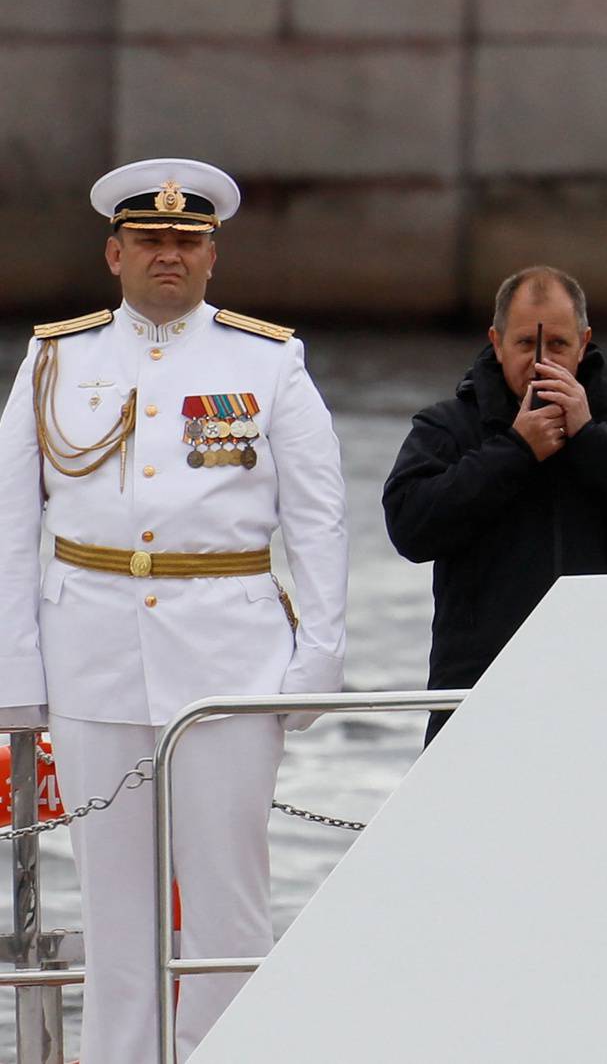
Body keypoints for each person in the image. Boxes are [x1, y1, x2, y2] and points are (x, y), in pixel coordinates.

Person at [0, 159, 347, 1063]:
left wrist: (319, 658)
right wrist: (16, 668)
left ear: (211, 258)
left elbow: (319, 517)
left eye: (187, 242)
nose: (169, 256)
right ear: (114, 254)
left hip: (229, 653)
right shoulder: (55, 359)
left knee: (229, 895)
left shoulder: (265, 361)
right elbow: (10, 523)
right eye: (150, 241)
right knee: (115, 903)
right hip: (92, 649)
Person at [383, 266, 607, 745]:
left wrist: (588, 437)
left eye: (558, 345)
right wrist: (515, 451)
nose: (542, 361)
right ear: (496, 343)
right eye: (525, 345)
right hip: (480, 688)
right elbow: (410, 529)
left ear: (584, 344)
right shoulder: (446, 427)